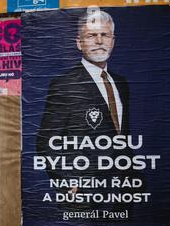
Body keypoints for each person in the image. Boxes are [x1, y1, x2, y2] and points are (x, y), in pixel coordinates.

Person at [36, 9, 137, 211]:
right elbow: (46, 141)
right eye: (91, 35)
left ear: (113, 41)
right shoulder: (64, 84)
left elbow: (121, 139)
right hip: (84, 196)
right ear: (79, 42)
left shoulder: (120, 83)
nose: (99, 41)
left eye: (104, 35)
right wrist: (70, 183)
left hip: (122, 193)